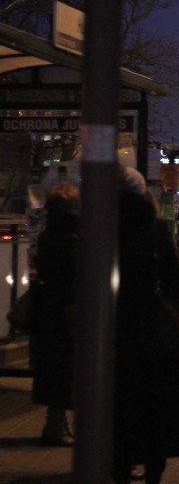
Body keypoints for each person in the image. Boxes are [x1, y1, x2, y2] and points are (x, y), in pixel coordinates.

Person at [113, 166, 179, 483]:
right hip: (154, 331)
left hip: (112, 330)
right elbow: (175, 284)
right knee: (155, 402)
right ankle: (153, 466)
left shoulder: (100, 226)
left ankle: (119, 465)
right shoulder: (155, 228)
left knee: (118, 400)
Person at [31, 183, 79, 446]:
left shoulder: (48, 234)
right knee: (66, 368)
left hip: (50, 310)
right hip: (69, 310)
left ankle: (55, 423)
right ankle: (56, 426)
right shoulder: (73, 236)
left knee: (55, 368)